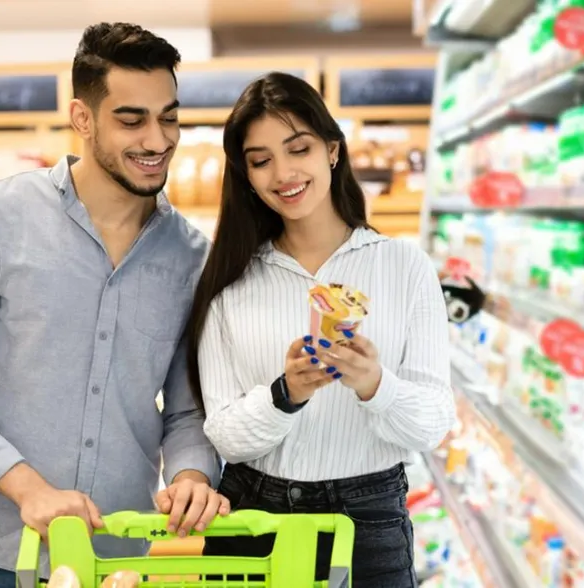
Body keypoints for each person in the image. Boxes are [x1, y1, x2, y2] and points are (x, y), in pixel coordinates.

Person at [0, 22, 228, 588]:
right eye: (131, 120)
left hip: (114, 559)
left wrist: (191, 476)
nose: (157, 140)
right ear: (82, 118)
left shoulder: (191, 258)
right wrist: (27, 488)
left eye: (169, 117)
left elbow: (186, 409)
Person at [183, 72, 456, 587]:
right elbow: (223, 434)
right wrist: (287, 393)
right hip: (253, 515)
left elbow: (434, 423)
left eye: (298, 149)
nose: (283, 173)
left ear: (332, 150)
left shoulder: (403, 266)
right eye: (261, 160)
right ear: (246, 175)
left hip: (367, 518)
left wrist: (375, 385)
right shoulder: (229, 281)